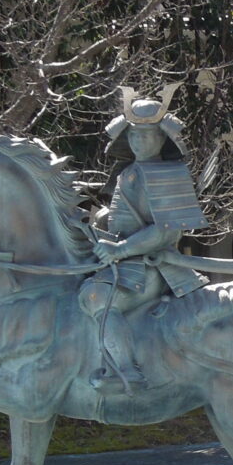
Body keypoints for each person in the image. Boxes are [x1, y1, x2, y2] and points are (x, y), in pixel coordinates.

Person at [79, 87, 215, 388]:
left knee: (98, 298)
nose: (140, 141)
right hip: (120, 261)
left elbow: (168, 229)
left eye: (148, 135)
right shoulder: (127, 171)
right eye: (134, 135)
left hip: (151, 267)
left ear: (163, 138)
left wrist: (121, 248)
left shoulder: (168, 174)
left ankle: (125, 373)